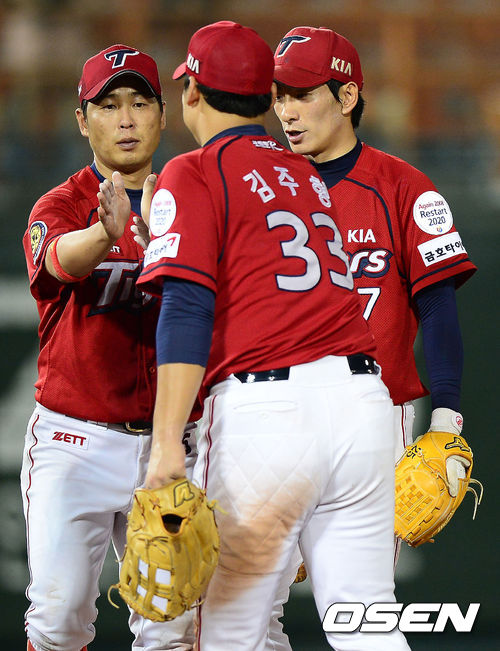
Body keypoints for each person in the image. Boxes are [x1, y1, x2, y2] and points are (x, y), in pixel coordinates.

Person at [129, 20, 410, 650]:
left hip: (268, 415)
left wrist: (166, 446)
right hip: (363, 407)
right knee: (367, 625)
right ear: (264, 97)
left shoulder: (193, 170)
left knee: (229, 633)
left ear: (192, 91)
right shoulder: (306, 173)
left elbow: (188, 308)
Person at [270, 23, 477, 643]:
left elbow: (438, 310)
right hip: (269, 413)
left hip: (372, 415)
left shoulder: (403, 187)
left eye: (302, 94)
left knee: (359, 615)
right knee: (239, 614)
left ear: (347, 95)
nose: (286, 111)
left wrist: (447, 418)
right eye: (278, 96)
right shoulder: (260, 186)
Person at [21, 44, 195, 651]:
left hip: (174, 443)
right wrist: (106, 231)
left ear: (163, 114)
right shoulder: (62, 204)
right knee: (59, 619)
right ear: (82, 119)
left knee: (172, 630)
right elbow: (57, 261)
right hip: (77, 439)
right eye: (109, 105)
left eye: (140, 103)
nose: (125, 119)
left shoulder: (194, 199)